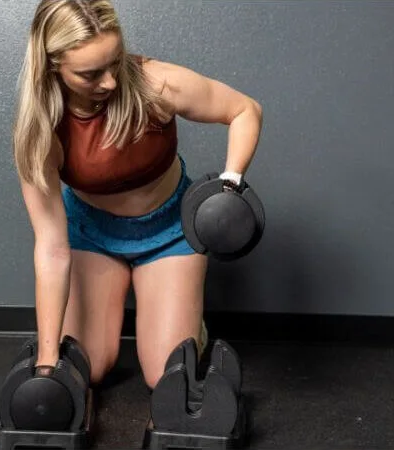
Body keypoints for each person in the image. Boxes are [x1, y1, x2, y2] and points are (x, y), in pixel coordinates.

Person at [13, 0, 262, 390]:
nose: (111, 82)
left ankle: (189, 325)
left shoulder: (155, 83)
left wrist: (230, 185)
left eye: (115, 62)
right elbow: (51, 249)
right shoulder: (41, 132)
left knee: (167, 377)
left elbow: (244, 110)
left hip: (170, 231)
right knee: (85, 368)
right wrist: (47, 363)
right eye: (91, 74)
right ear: (52, 66)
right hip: (92, 237)